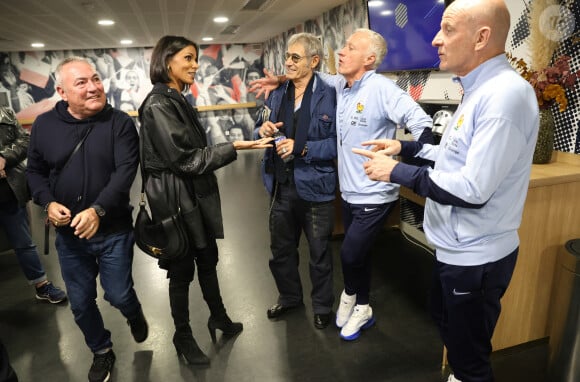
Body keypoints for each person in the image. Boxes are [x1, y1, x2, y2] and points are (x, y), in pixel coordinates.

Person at [352, 1, 539, 380]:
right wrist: (404, 148)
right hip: (455, 249)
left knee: (471, 358)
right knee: (445, 322)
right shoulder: (478, 89)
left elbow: (472, 189)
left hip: (476, 256)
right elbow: (453, 155)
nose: (437, 39)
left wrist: (398, 173)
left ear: (482, 37)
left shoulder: (504, 96)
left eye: (448, 29)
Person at [251, 28, 433, 341]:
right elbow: (307, 77)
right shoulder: (341, 85)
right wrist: (278, 82)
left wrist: (407, 155)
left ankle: (350, 298)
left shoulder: (380, 89)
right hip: (343, 192)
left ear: (370, 58)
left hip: (369, 193)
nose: (342, 52)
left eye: (350, 47)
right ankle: (358, 303)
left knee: (346, 254)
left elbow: (422, 124)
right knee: (343, 255)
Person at [138, 35, 272, 366]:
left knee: (208, 258)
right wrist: (236, 147)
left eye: (196, 58)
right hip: (174, 199)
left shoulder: (175, 98)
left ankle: (218, 317)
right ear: (167, 61)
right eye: (188, 58)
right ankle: (182, 336)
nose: (196, 65)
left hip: (192, 195)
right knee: (182, 269)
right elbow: (185, 159)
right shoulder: (158, 104)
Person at [26, 56, 149, 382]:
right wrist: (47, 202)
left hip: (114, 230)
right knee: (80, 304)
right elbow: (35, 173)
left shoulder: (120, 123)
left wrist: (98, 210)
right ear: (62, 91)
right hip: (69, 238)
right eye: (82, 83)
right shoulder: (44, 125)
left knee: (119, 294)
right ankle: (101, 351)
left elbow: (125, 173)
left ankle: (133, 313)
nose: (94, 87)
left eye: (96, 79)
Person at [254, 33, 337, 330]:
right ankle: (289, 298)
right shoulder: (277, 94)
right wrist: (261, 129)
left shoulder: (330, 95)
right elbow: (257, 130)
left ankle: (323, 305)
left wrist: (303, 148)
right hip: (281, 187)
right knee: (281, 251)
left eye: (295, 58)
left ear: (314, 61)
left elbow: (336, 143)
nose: (287, 62)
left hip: (316, 189)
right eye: (287, 57)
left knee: (319, 253)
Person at [0, 106, 67, 304]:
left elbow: (24, 141)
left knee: (24, 243)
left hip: (8, 192)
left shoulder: (5, 113)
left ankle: (42, 285)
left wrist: (3, 158)